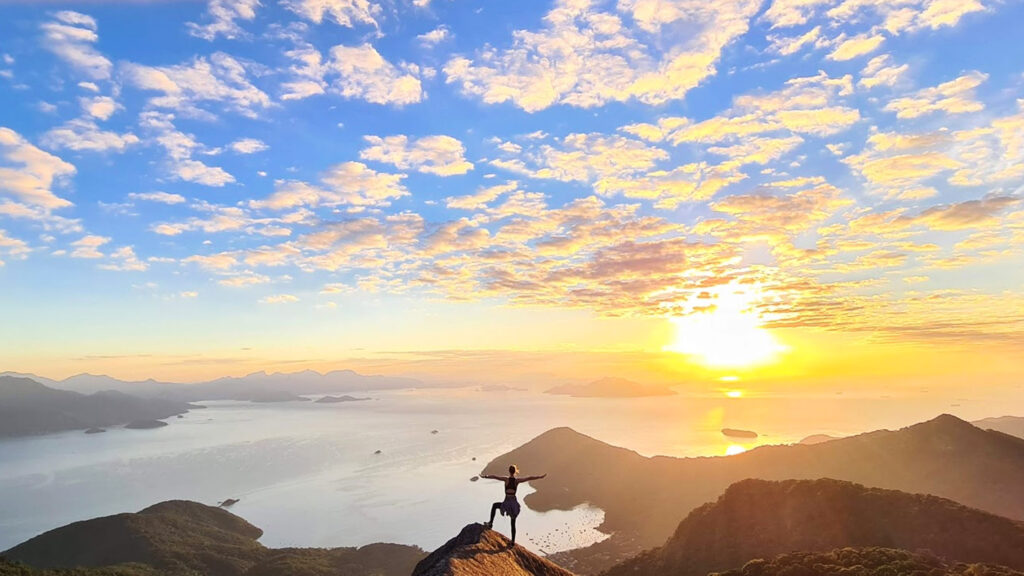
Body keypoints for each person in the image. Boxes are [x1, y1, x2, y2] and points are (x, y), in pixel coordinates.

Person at [482, 465, 546, 544]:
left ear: (509, 471)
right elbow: (529, 478)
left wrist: (485, 476)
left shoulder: (506, 479)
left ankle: (490, 523)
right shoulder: (517, 481)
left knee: (495, 505)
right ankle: (512, 541)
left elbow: (495, 477)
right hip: (513, 504)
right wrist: (539, 477)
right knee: (513, 523)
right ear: (515, 471)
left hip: (506, 503)